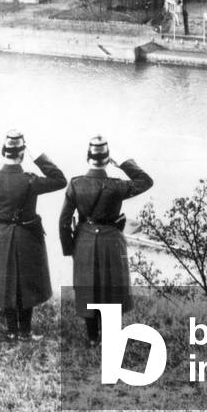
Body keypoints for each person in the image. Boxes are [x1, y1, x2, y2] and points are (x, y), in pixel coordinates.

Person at [58, 136, 153, 347]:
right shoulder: (116, 186)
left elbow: (64, 221)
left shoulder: (76, 184)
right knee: (111, 288)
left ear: (87, 157)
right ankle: (110, 338)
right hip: (111, 240)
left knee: (87, 287)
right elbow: (146, 181)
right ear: (108, 160)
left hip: (83, 239)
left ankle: (92, 338)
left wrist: (70, 248)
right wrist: (124, 162)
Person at [0, 131, 66, 341]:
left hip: (3, 235)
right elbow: (60, 180)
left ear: (2, 151)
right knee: (27, 283)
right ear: (22, 154)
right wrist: (39, 157)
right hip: (27, 236)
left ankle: (11, 330)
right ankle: (25, 331)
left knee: (6, 283)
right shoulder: (30, 180)